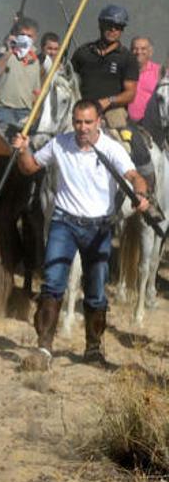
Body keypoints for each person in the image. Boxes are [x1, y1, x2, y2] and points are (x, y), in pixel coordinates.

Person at [12, 99, 150, 369]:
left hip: (99, 227)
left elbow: (134, 176)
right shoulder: (60, 143)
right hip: (64, 222)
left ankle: (93, 350)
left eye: (88, 122)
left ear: (98, 121)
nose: (82, 128)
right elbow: (29, 168)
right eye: (78, 122)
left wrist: (141, 194)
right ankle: (44, 348)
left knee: (96, 291)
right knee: (52, 284)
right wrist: (22, 150)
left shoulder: (110, 148)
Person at [71, 5, 152, 190]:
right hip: (81, 112)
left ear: (122, 29)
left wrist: (108, 101)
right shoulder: (82, 53)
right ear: (101, 25)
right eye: (109, 24)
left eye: (118, 26)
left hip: (113, 112)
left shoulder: (127, 58)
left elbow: (130, 93)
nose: (113, 29)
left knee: (139, 149)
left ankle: (147, 195)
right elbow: (68, 79)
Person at [0, 17, 40, 135]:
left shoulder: (35, 60)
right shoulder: (3, 52)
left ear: (35, 38)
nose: (25, 38)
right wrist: (9, 51)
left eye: (29, 36)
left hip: (24, 112)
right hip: (3, 108)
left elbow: (36, 90)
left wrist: (35, 112)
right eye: (22, 34)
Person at [128, 36, 161, 123]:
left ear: (150, 52)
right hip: (127, 124)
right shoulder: (123, 71)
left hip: (152, 125)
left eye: (143, 49)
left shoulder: (160, 72)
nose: (139, 52)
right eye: (135, 49)